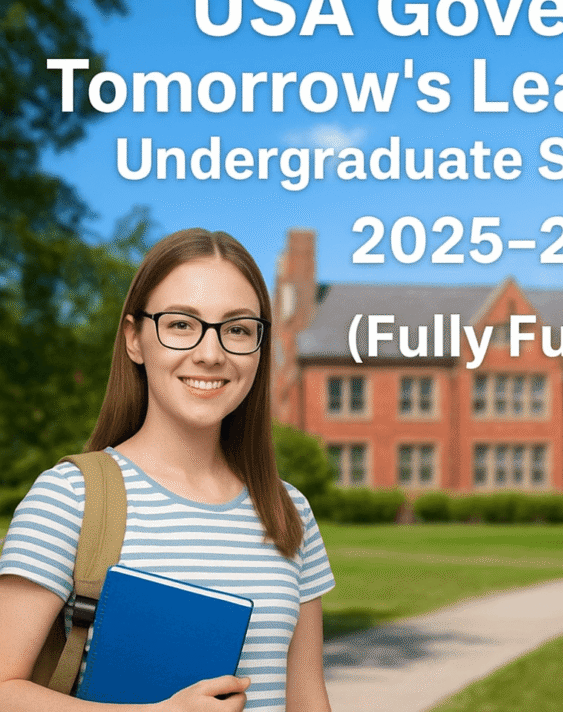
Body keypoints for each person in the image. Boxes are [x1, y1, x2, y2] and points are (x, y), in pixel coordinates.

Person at [0, 229, 335, 711]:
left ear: (260, 349)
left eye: (237, 329)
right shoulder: (70, 497)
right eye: (181, 324)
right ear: (135, 339)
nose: (211, 353)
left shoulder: (288, 510)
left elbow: (307, 699)